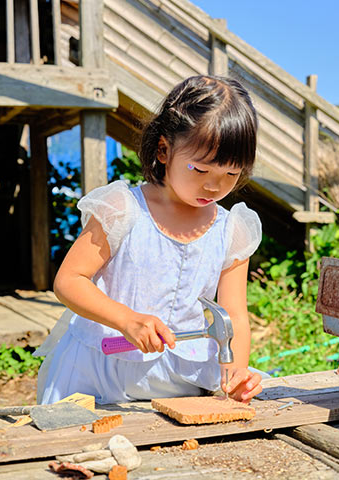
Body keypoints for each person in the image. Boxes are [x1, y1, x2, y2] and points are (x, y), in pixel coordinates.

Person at [35, 75, 264, 405]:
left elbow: (234, 316)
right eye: (200, 171)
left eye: (230, 175)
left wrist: (235, 375)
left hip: (181, 381)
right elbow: (69, 281)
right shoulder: (122, 209)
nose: (214, 187)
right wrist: (126, 320)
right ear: (163, 150)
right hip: (98, 374)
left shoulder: (231, 229)